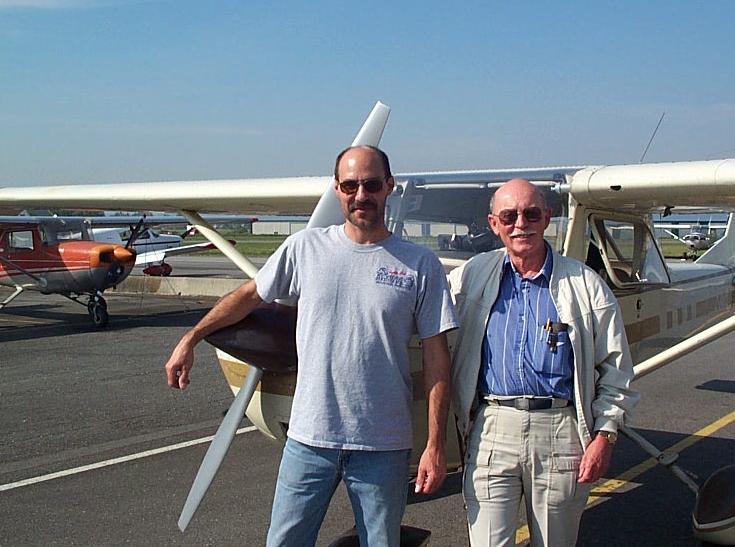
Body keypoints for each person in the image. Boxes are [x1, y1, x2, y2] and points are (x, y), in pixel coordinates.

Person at [165, 145, 458, 547]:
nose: (361, 195)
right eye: (350, 185)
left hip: (384, 445)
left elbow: (437, 357)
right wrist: (191, 337)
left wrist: (434, 445)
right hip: (309, 441)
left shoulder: (421, 265)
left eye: (371, 184)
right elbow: (250, 296)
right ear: (336, 189)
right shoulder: (304, 249)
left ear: (389, 186)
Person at [447, 178, 639, 547]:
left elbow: (616, 369)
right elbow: (423, 306)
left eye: (531, 213)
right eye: (509, 216)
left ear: (547, 218)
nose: (521, 223)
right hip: (491, 426)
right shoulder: (472, 275)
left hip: (560, 429)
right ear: (494, 224)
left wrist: (605, 435)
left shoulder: (585, 284)